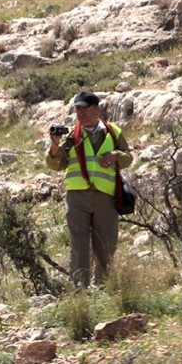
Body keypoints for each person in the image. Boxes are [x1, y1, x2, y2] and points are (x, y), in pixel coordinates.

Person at [46, 91, 134, 288]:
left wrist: (116, 155)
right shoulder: (72, 135)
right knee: (79, 245)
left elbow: (128, 158)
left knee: (106, 244)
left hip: (106, 197)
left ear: (97, 109)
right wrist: (54, 145)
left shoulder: (113, 132)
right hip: (77, 197)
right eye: (77, 109)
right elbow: (56, 165)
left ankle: (102, 286)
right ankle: (79, 289)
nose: (80, 113)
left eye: (84, 109)